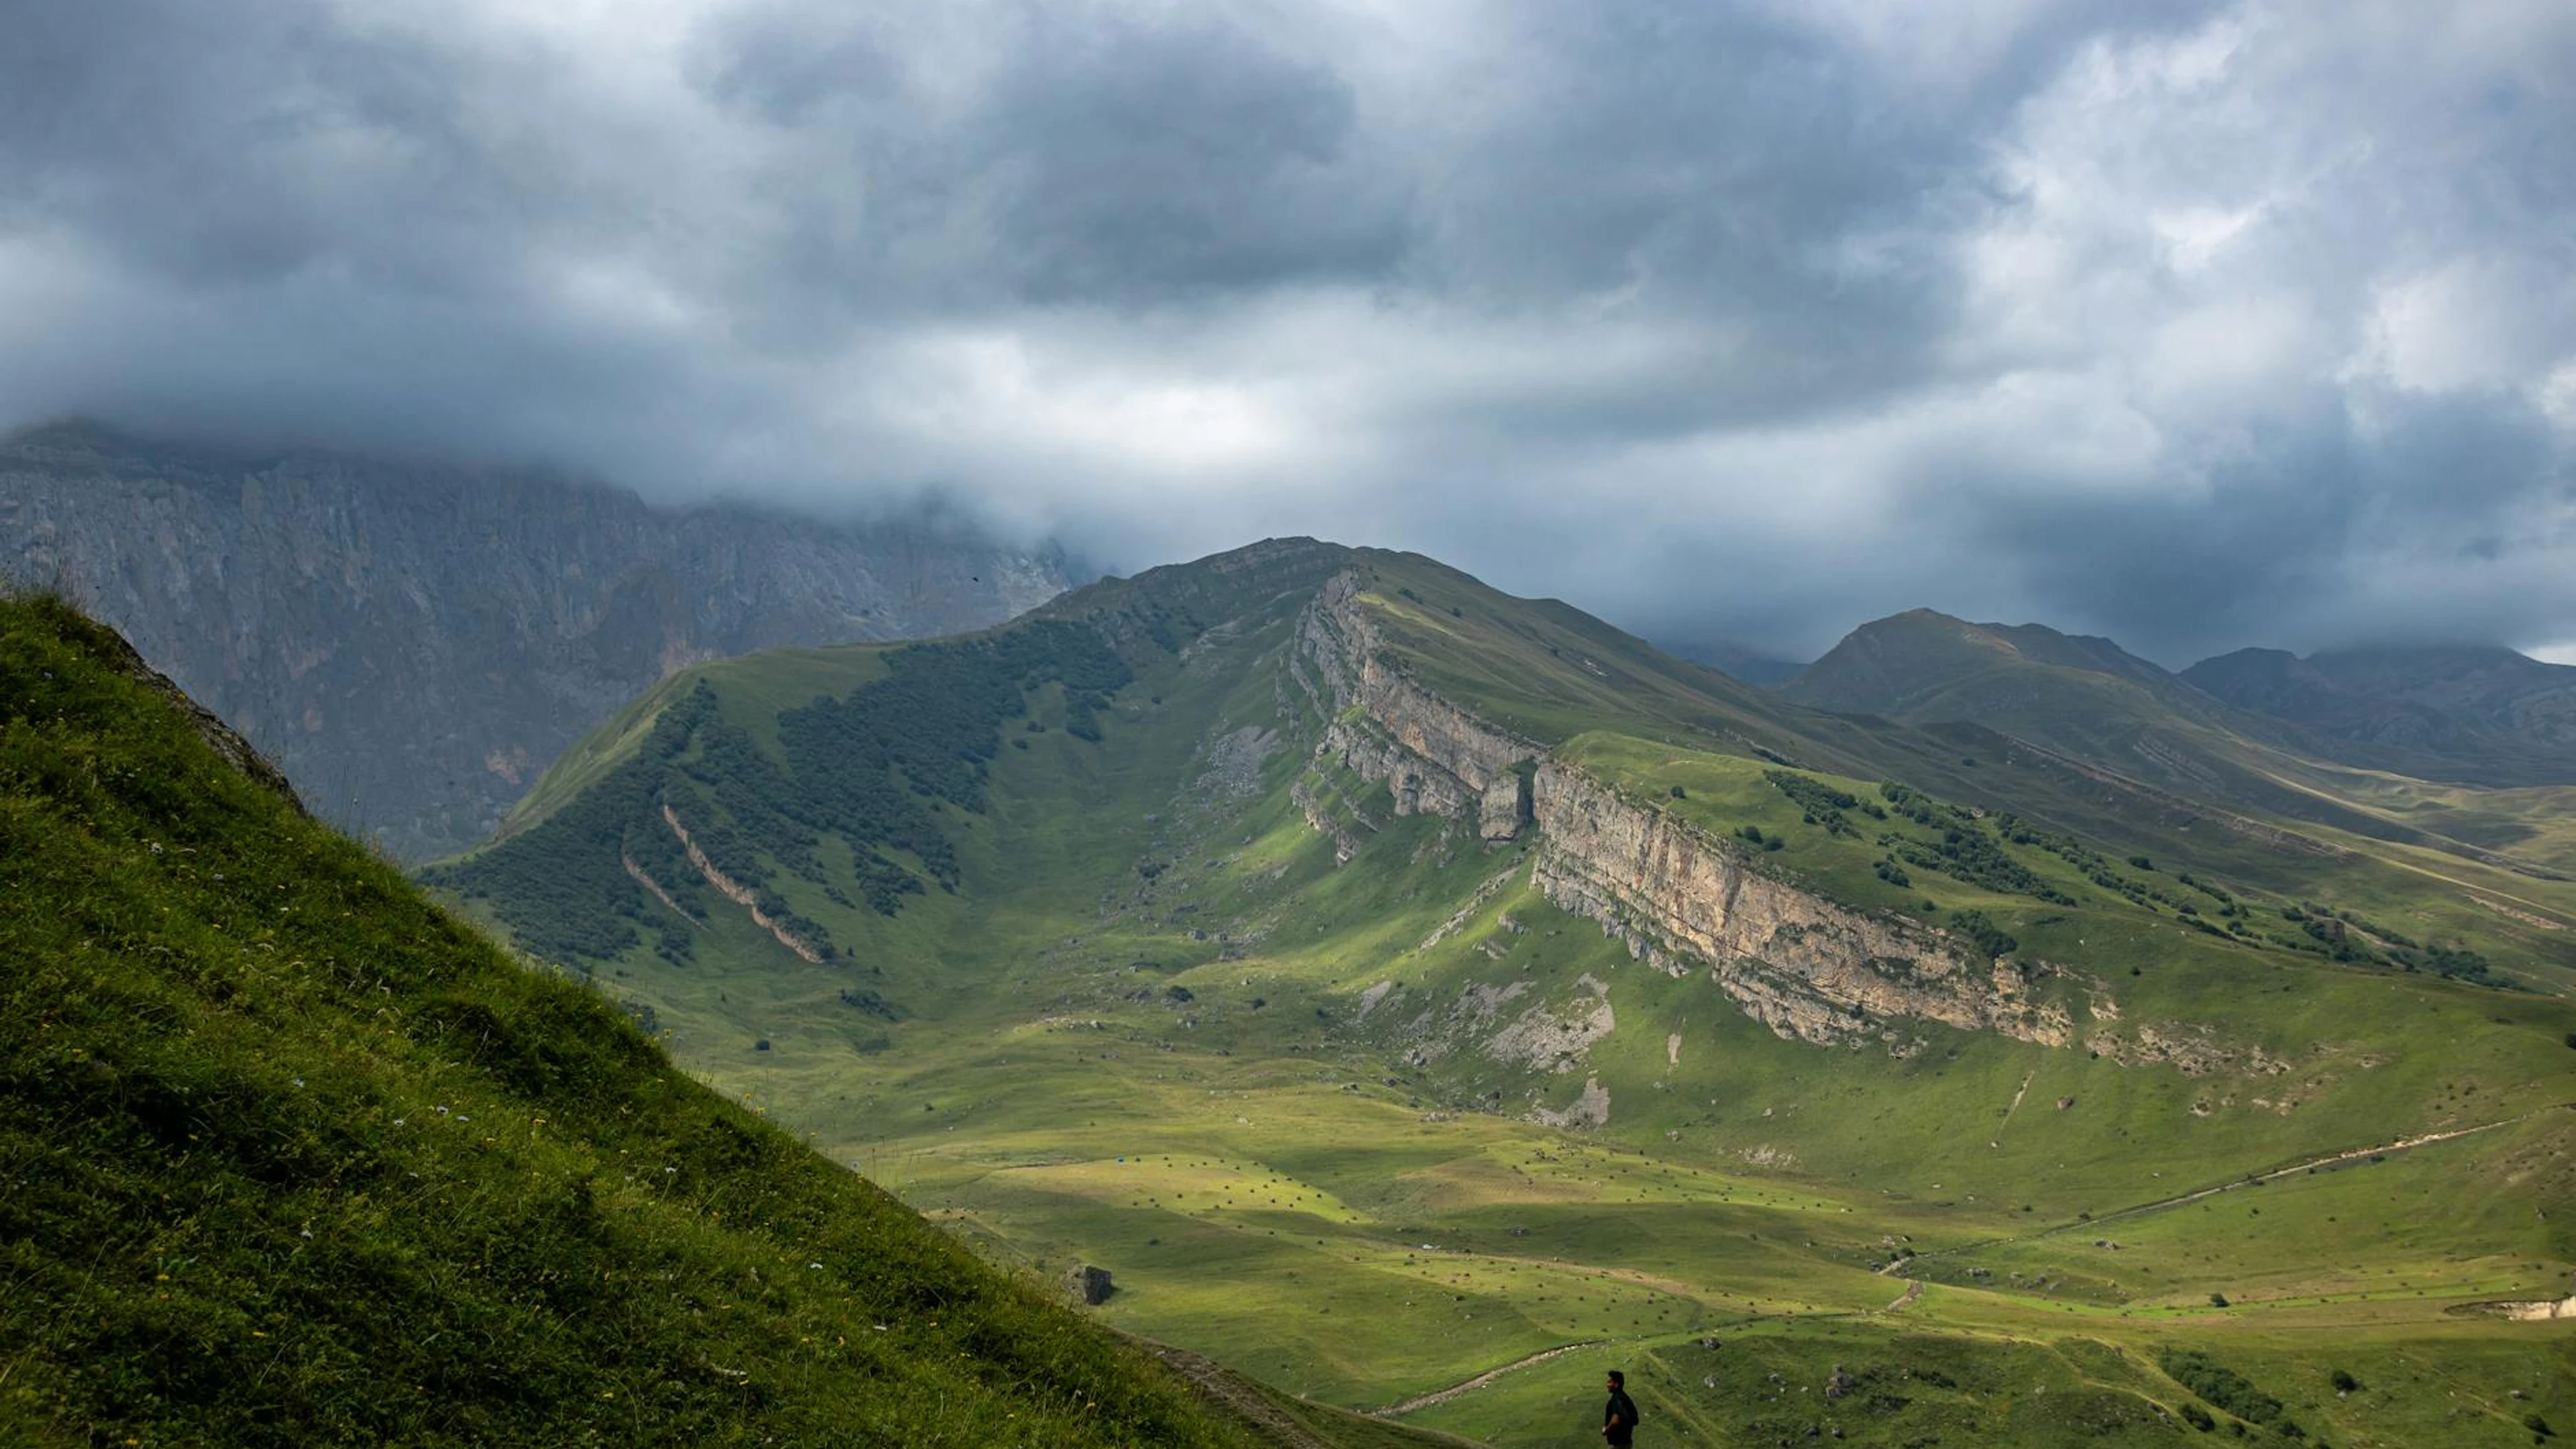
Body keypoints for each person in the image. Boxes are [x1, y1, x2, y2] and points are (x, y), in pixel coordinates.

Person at [1602, 1369, 1640, 1446]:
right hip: (1627, 1442)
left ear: (1616, 1384)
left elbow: (1616, 1420)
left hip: (1618, 1444)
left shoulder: (1617, 1399)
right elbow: (1635, 1420)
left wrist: (1606, 1430)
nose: (1607, 1385)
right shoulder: (1625, 1398)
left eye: (1610, 1382)